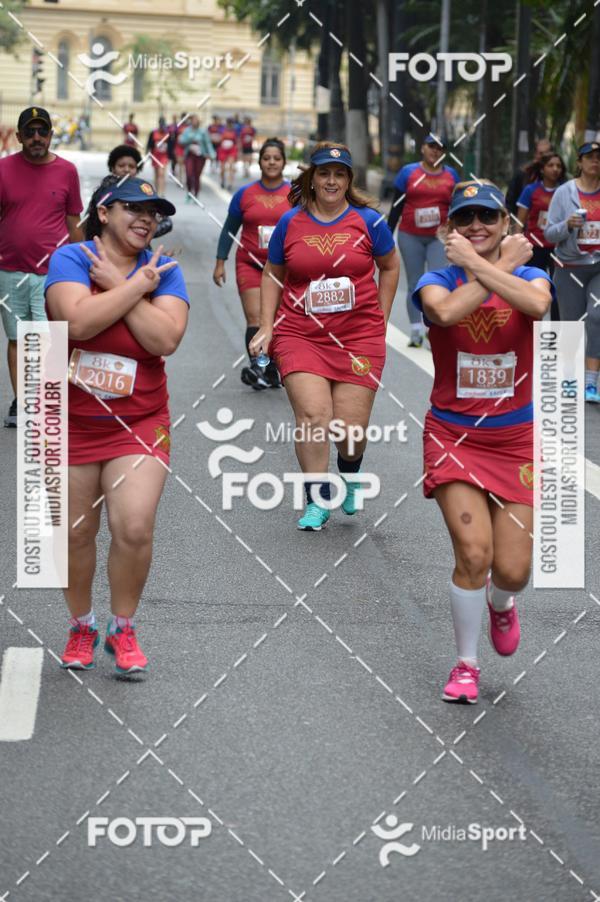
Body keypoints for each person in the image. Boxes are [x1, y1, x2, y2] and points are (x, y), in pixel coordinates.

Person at [413, 180, 553, 704]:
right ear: (451, 229)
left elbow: (537, 308)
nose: (478, 226)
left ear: (505, 224)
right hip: (453, 437)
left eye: (488, 218)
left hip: (515, 439)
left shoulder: (533, 273)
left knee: (513, 569)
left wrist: (502, 268)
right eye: (466, 218)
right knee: (474, 552)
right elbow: (445, 314)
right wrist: (498, 266)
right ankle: (466, 664)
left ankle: (501, 602)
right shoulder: (435, 278)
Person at [45, 177, 189, 675]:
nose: (145, 217)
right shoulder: (70, 260)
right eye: (133, 207)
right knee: (74, 534)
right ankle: (81, 625)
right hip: (69, 421)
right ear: (104, 213)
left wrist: (122, 287)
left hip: (140, 421)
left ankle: (122, 627)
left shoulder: (164, 271)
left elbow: (165, 339)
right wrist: (133, 288)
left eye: (153, 210)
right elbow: (78, 324)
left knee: (132, 525)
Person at [250, 142, 399, 530]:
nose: (331, 180)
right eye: (324, 173)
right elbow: (272, 273)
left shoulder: (369, 222)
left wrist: (380, 319)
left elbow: (391, 265)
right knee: (315, 416)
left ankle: (350, 472)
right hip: (301, 334)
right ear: (312, 179)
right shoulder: (291, 222)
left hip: (357, 337)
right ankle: (317, 499)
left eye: (339, 174)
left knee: (349, 433)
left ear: (348, 180)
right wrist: (267, 326)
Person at [0, 106, 83, 427]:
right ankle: (22, 403)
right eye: (30, 132)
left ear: (50, 135)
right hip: (9, 269)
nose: (37, 137)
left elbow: (74, 221)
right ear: (19, 136)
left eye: (42, 131)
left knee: (50, 338)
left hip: (53, 272)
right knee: (17, 338)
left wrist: (82, 266)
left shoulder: (67, 171)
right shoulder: (4, 169)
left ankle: (47, 401)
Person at [213, 138, 291, 389]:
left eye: (276, 158)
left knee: (278, 319)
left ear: (283, 162)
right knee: (255, 318)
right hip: (250, 263)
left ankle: (271, 370)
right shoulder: (244, 195)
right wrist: (220, 261)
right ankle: (261, 370)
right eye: (266, 158)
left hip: (282, 267)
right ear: (259, 162)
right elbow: (228, 230)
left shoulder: (294, 195)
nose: (271, 162)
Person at [387, 134, 459, 347]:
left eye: (440, 148)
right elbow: (396, 206)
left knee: (439, 282)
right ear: (422, 148)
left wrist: (459, 234)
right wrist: (387, 235)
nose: (435, 151)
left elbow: (456, 208)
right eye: (431, 146)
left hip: (439, 237)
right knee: (414, 283)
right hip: (410, 235)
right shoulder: (408, 172)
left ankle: (434, 328)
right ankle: (416, 329)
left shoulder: (452, 175)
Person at [545, 141, 600, 402]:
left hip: (597, 267)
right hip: (569, 268)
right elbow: (549, 233)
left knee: (597, 317)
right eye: (590, 157)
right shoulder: (564, 193)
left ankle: (591, 383)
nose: (595, 162)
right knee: (571, 326)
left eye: (599, 157)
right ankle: (568, 376)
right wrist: (568, 224)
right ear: (579, 162)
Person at [516, 151, 566, 321]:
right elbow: (519, 221)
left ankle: (558, 336)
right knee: (534, 291)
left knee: (558, 292)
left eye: (558, 166)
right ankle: (530, 330)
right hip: (535, 247)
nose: (555, 169)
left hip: (559, 249)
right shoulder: (531, 190)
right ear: (543, 169)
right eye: (551, 165)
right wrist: (515, 246)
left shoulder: (565, 191)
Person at [505, 138, 552, 215]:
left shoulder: (557, 176)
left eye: (547, 154)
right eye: (541, 153)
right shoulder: (523, 173)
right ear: (536, 154)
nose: (544, 157)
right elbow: (510, 201)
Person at [178, 115, 215, 198]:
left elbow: (208, 143)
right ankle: (189, 191)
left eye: (196, 121)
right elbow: (181, 141)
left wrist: (212, 154)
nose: (195, 122)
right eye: (193, 121)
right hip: (190, 155)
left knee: (197, 175)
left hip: (200, 156)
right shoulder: (187, 131)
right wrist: (190, 139)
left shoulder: (203, 132)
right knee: (189, 173)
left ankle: (196, 193)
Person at [146, 117, 170, 196]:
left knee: (161, 174)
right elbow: (149, 144)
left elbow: (170, 145)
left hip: (164, 156)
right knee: (156, 174)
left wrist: (171, 156)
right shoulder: (153, 133)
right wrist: (148, 153)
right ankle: (156, 190)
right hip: (155, 156)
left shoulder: (167, 133)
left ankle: (161, 192)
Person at [217, 117, 239, 191]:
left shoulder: (235, 131)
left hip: (232, 150)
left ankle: (230, 183)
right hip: (223, 150)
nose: (230, 125)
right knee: (222, 168)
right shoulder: (222, 130)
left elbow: (237, 141)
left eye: (231, 123)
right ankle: (223, 180)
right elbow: (218, 139)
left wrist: (238, 151)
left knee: (231, 166)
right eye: (228, 123)